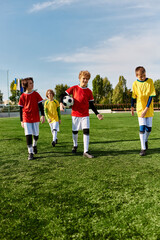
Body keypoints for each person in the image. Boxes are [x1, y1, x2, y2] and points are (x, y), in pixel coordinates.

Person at [60, 70, 103, 158]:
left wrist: (97, 114)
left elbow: (91, 105)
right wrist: (61, 103)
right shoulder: (74, 88)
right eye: (83, 78)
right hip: (75, 114)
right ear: (79, 78)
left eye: (87, 79)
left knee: (86, 131)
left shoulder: (89, 91)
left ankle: (86, 151)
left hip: (85, 115)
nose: (85, 80)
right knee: (75, 132)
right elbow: (62, 95)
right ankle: (75, 145)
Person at [131, 66, 156, 156]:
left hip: (148, 109)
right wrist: (132, 107)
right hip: (140, 109)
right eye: (141, 76)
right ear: (137, 76)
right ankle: (143, 148)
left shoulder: (150, 81)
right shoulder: (135, 84)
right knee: (142, 128)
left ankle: (145, 140)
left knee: (149, 128)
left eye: (144, 75)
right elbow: (133, 97)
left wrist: (146, 109)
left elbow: (151, 96)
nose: (143, 77)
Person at [18, 77, 45, 160]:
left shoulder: (36, 94)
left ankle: (34, 145)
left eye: (32, 82)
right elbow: (20, 109)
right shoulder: (22, 96)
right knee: (28, 134)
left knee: (36, 135)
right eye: (30, 83)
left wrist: (43, 115)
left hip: (35, 117)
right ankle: (30, 152)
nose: (32, 84)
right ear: (26, 85)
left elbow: (41, 106)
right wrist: (21, 120)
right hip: (26, 118)